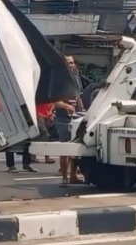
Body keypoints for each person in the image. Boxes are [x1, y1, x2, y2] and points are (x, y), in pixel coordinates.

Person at [53, 55, 84, 187]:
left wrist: (83, 109)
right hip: (63, 119)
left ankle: (73, 175)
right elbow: (54, 101)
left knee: (75, 149)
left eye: (72, 63)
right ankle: (65, 177)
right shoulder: (58, 80)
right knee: (64, 150)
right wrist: (66, 106)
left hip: (76, 118)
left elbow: (78, 97)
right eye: (68, 63)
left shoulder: (76, 79)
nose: (71, 65)